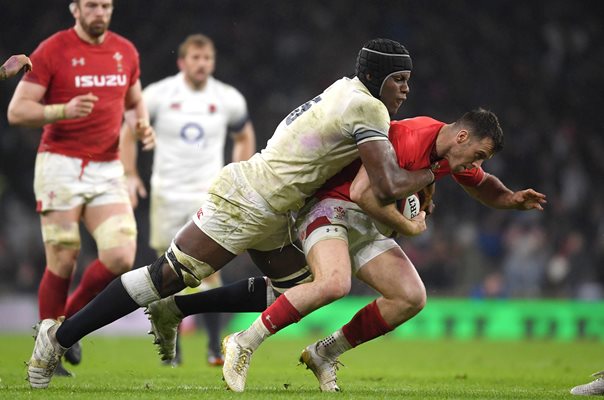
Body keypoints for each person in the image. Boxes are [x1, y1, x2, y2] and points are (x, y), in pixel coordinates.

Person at [26, 37, 436, 390]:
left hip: (278, 208)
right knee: (168, 275)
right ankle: (58, 337)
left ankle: (175, 310)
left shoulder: (346, 89)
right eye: (399, 79)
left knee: (297, 288)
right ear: (377, 76)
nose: (404, 90)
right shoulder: (370, 108)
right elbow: (384, 185)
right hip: (250, 198)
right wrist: (431, 173)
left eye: (408, 81)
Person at [146, 109, 545, 392]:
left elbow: (481, 182)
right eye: (477, 154)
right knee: (332, 283)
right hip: (330, 209)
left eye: (482, 159)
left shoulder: (448, 156)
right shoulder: (411, 140)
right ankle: (242, 343)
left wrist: (510, 198)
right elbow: (361, 192)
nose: (475, 163)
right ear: (462, 137)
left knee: (410, 297)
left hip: (368, 223)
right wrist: (409, 225)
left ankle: (324, 353)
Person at [8, 0, 154, 377]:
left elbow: (135, 103)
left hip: (106, 168)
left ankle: (64, 328)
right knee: (64, 258)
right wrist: (61, 111)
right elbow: (17, 111)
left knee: (121, 257)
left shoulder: (125, 51)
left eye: (105, 5)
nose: (99, 13)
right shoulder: (53, 50)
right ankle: (47, 356)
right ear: (74, 9)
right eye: (91, 5)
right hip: (60, 164)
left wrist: (142, 126)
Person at [121, 33, 256, 366]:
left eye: (207, 58)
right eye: (195, 58)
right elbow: (129, 130)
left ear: (213, 62)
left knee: (210, 271)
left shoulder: (227, 98)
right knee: (165, 273)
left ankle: (212, 346)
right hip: (167, 193)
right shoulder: (159, 94)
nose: (202, 64)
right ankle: (173, 352)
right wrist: (129, 173)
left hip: (207, 194)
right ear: (182, 62)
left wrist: (237, 173)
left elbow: (244, 135)